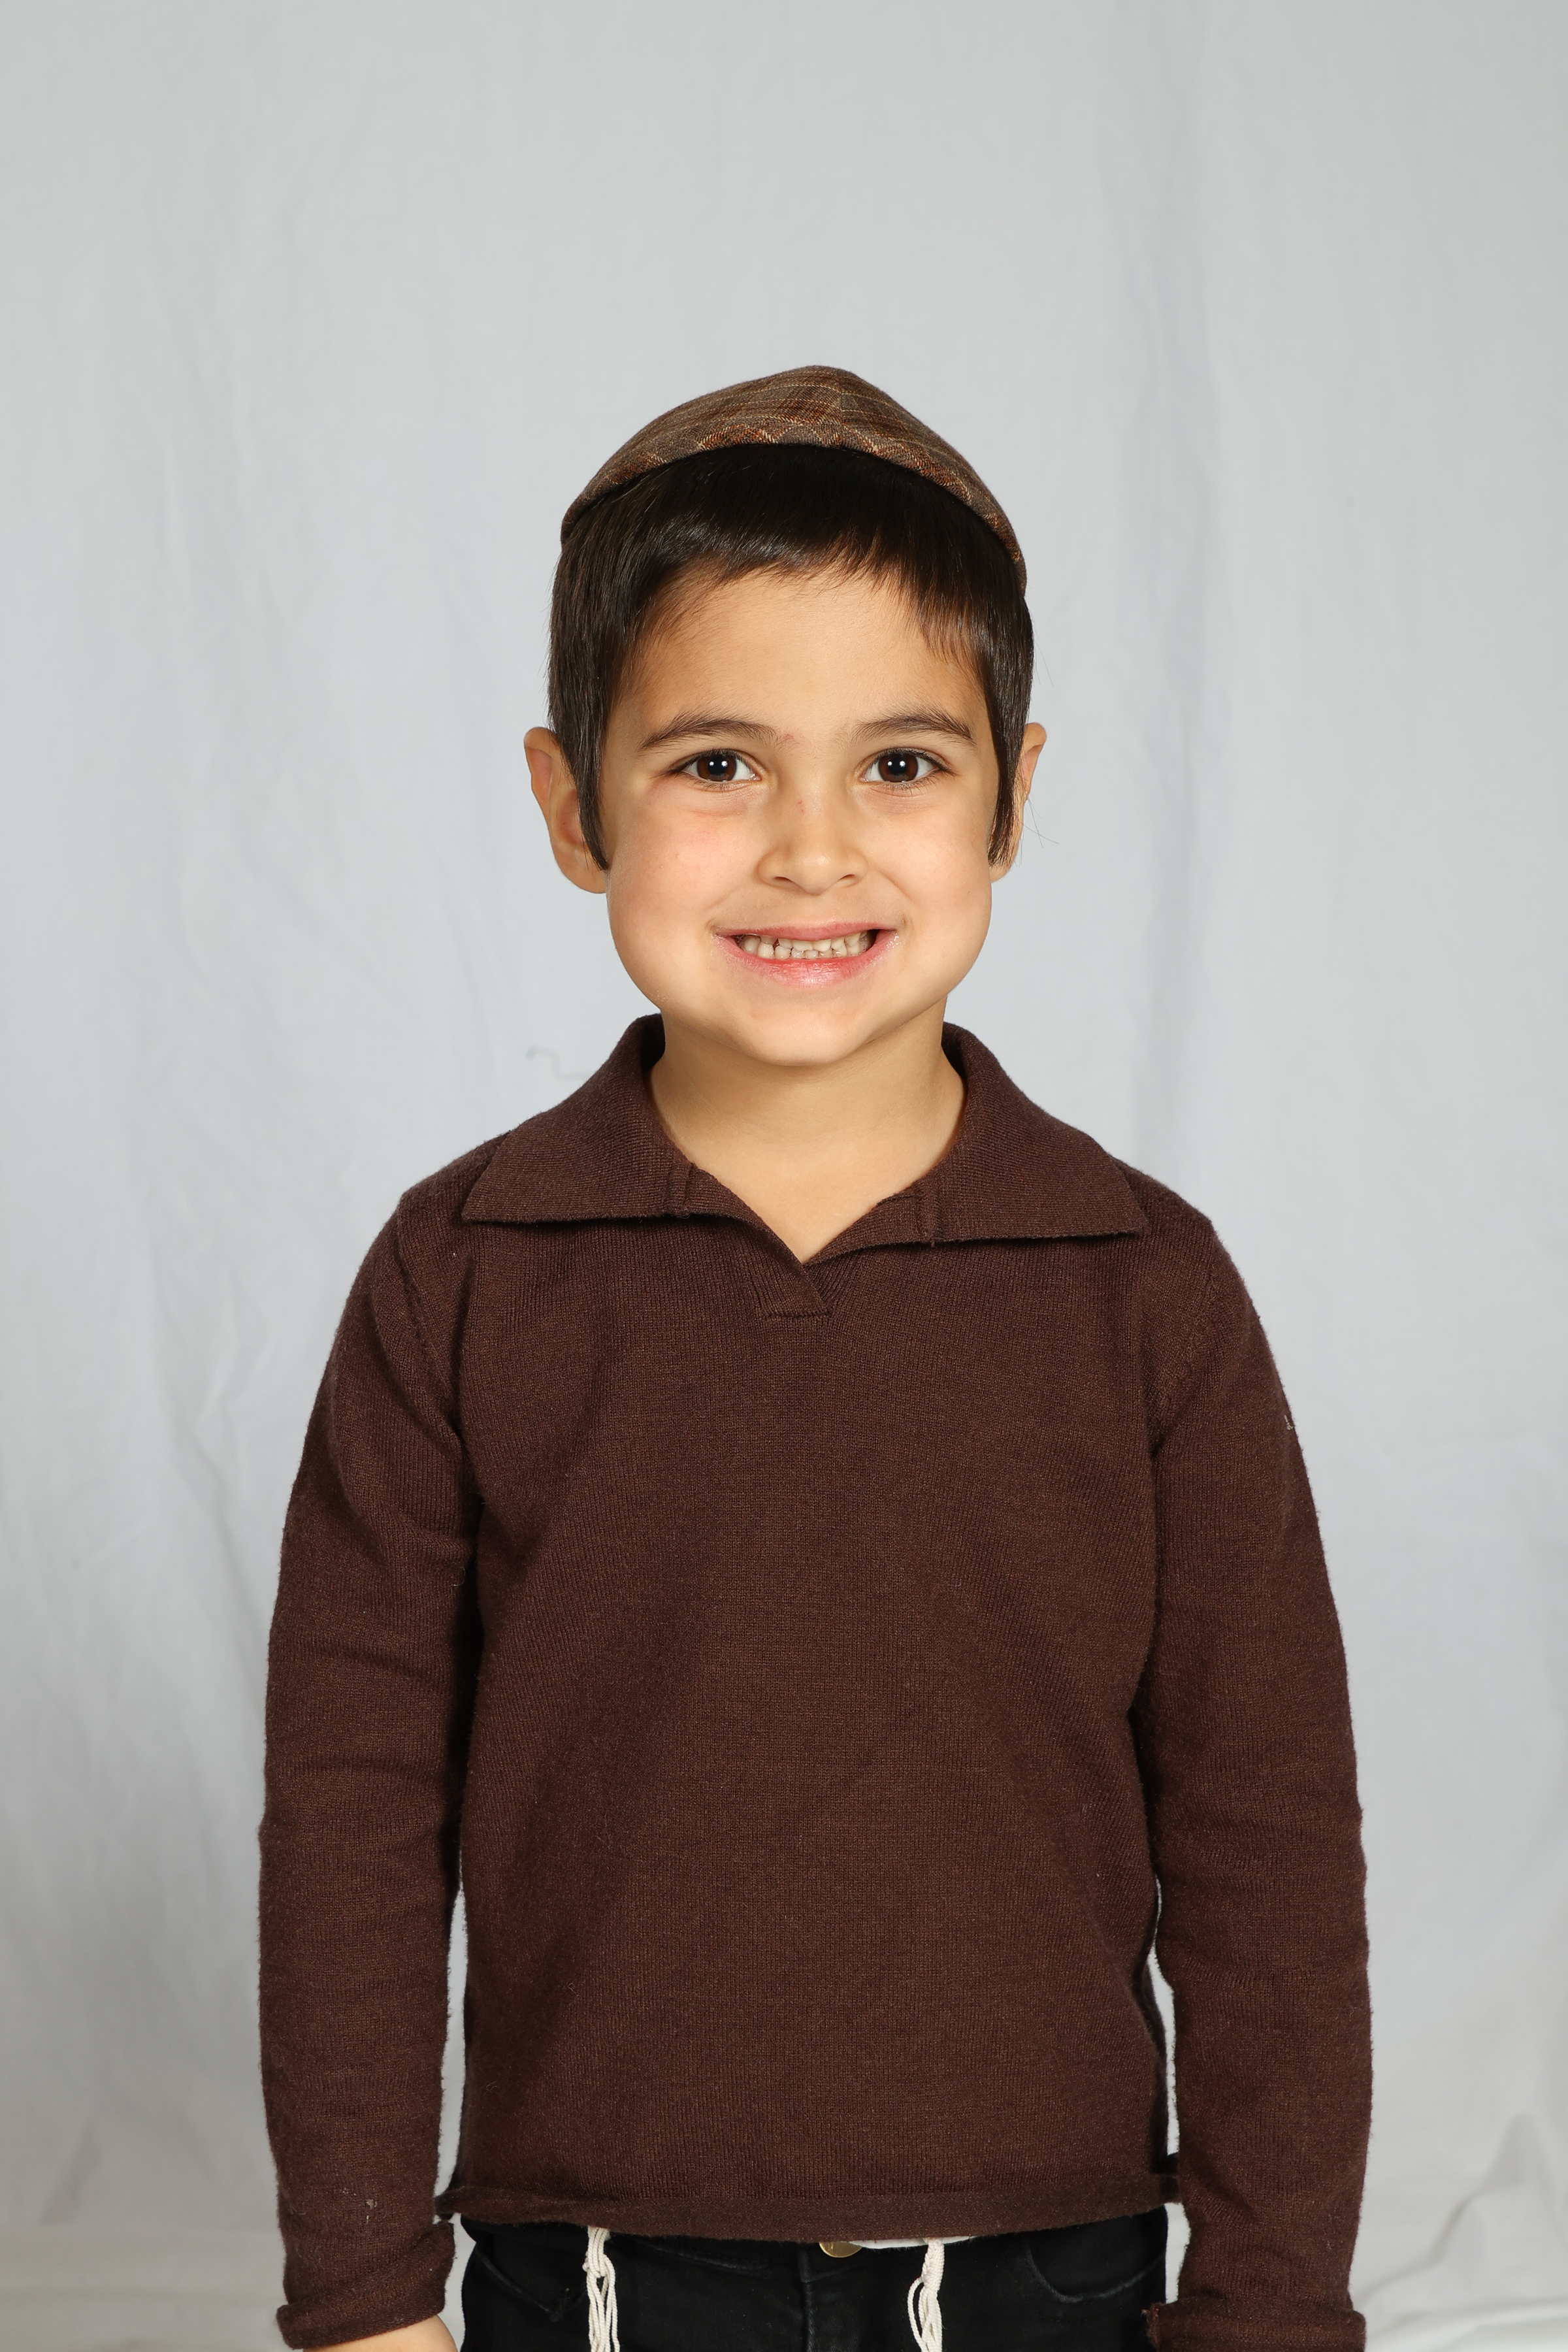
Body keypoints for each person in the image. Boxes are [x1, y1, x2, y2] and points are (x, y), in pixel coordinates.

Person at [259, 367, 1371, 2352]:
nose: (810, 851)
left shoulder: (1146, 1288)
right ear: (569, 804)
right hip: (594, 2274)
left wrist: (1268, 2304)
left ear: (1013, 798)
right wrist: (362, 2297)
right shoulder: (465, 1273)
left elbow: (1265, 1837)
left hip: (1051, 2272)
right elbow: (353, 1820)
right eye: (717, 764)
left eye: (901, 765)